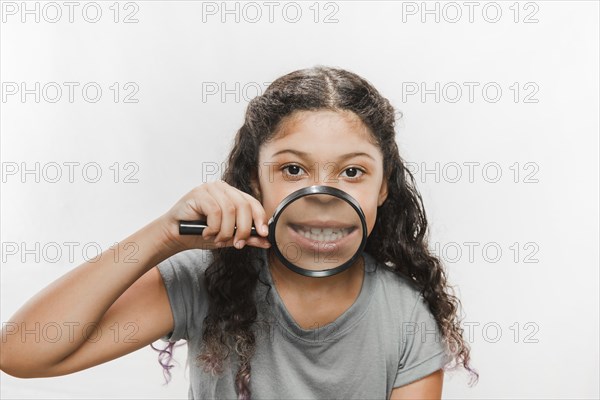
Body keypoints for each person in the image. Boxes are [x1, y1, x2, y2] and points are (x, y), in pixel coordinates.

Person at [0, 66, 478, 399]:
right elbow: (22, 353)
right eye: (293, 168)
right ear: (255, 181)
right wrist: (162, 236)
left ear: (382, 188)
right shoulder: (205, 280)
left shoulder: (405, 315)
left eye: (352, 173)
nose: (321, 196)